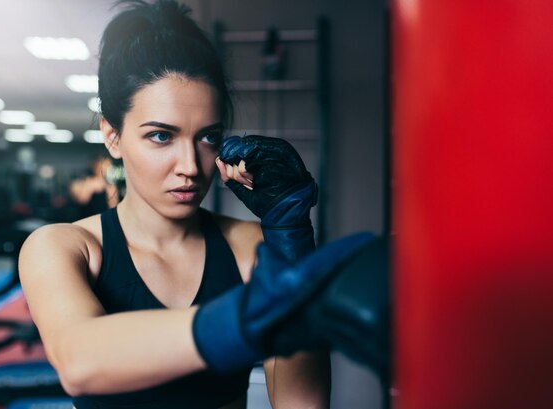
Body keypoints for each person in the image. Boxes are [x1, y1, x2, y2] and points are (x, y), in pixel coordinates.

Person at [20, 1, 378, 408]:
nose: (190, 166)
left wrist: (291, 239)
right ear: (112, 136)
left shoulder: (249, 247)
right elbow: (78, 360)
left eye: (208, 137)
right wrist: (243, 319)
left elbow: (303, 405)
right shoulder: (66, 247)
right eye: (160, 136)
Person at [68, 155, 119, 219]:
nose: (107, 168)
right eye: (105, 166)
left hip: (102, 220)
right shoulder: (85, 182)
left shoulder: (110, 186)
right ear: (97, 167)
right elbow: (82, 200)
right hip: (86, 220)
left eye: (109, 166)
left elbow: (113, 209)